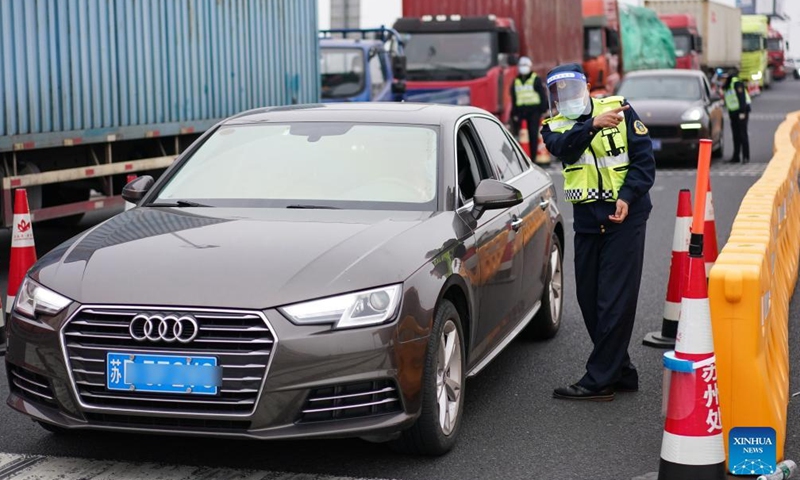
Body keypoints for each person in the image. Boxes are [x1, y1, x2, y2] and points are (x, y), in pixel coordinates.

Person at [541, 63, 656, 401]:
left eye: (571, 89)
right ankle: (621, 371)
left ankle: (598, 379)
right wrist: (591, 126)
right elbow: (565, 149)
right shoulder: (554, 126)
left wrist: (628, 196)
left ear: (588, 86)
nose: (565, 97)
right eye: (558, 92)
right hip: (588, 221)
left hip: (625, 216)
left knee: (614, 301)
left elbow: (644, 160)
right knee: (589, 299)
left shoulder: (619, 109)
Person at [510, 56, 547, 142]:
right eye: (521, 65)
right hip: (521, 112)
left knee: (533, 134)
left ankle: (533, 155)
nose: (523, 67)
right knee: (522, 135)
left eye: (525, 65)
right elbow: (514, 97)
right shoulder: (516, 81)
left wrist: (543, 109)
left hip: (534, 111)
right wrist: (514, 113)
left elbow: (542, 95)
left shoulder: (535, 79)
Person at [723, 69, 752, 164]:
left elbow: (742, 98)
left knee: (742, 134)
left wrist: (742, 112)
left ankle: (745, 157)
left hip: (741, 112)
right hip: (733, 112)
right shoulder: (728, 86)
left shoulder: (736, 83)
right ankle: (736, 156)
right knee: (735, 135)